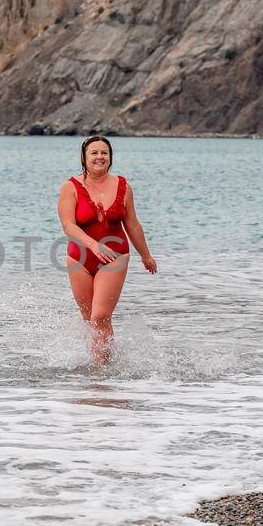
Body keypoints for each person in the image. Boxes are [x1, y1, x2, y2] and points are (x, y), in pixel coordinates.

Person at [56, 135, 157, 363]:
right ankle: (100, 365)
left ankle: (102, 368)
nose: (99, 157)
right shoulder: (70, 187)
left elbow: (132, 224)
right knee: (88, 317)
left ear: (110, 158)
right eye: (94, 153)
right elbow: (68, 226)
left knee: (100, 316)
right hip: (80, 258)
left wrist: (146, 255)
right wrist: (92, 244)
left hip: (114, 257)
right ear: (84, 158)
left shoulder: (123, 186)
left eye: (104, 153)